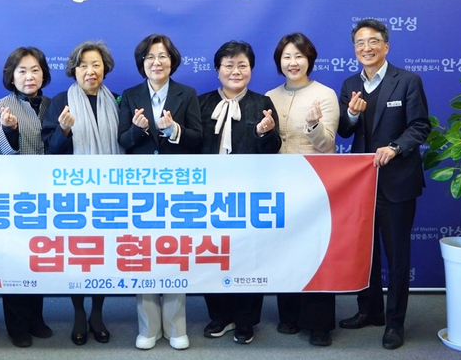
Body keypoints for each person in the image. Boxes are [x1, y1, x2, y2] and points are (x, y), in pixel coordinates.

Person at [337, 19, 430, 350]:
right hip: (361, 184)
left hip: (397, 181)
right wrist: (350, 114)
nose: (367, 48)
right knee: (365, 252)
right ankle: (370, 311)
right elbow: (345, 131)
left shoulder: (407, 81)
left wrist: (395, 147)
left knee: (397, 255)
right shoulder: (350, 84)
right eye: (360, 43)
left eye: (373, 41)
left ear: (386, 46)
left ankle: (395, 323)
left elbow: (420, 126)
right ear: (355, 50)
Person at [117, 34, 202, 351]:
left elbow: (198, 138)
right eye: (150, 57)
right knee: (144, 254)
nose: (157, 62)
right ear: (142, 63)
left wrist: (174, 130)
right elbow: (123, 141)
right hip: (140, 185)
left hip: (177, 185)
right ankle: (149, 327)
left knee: (175, 252)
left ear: (172, 61)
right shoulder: (130, 95)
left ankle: (176, 326)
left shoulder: (187, 93)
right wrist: (138, 129)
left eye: (163, 56)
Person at [198, 40, 281, 345]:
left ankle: (246, 320)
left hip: (249, 192)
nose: (236, 71)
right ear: (217, 70)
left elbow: (273, 150)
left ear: (251, 69)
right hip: (208, 194)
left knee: (248, 254)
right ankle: (219, 315)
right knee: (213, 253)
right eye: (229, 65)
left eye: (242, 65)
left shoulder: (263, 103)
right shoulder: (201, 103)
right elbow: (191, 145)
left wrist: (263, 134)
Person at [41, 40, 122, 346]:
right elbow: (51, 150)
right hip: (73, 192)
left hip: (109, 191)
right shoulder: (61, 101)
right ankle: (78, 313)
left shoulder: (117, 100)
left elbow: (127, 143)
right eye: (83, 65)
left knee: (102, 254)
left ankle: (97, 314)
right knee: (79, 255)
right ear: (74, 70)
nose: (90, 71)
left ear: (105, 69)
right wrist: (63, 130)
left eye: (96, 64)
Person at [265, 33, 339, 347]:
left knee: (315, 251)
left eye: (299, 56)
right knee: (285, 250)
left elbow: (327, 144)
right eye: (286, 57)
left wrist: (313, 126)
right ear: (279, 62)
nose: (292, 62)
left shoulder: (325, 94)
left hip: (315, 184)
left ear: (309, 59)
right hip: (280, 184)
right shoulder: (269, 96)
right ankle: (289, 315)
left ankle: (319, 324)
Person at [0, 47, 54, 348]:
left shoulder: (53, 104)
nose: (30, 76)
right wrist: (9, 129)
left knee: (39, 256)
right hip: (14, 193)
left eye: (35, 70)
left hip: (47, 193)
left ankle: (36, 319)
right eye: (22, 71)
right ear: (11, 77)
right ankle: (17, 326)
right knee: (15, 259)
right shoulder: (1, 106)